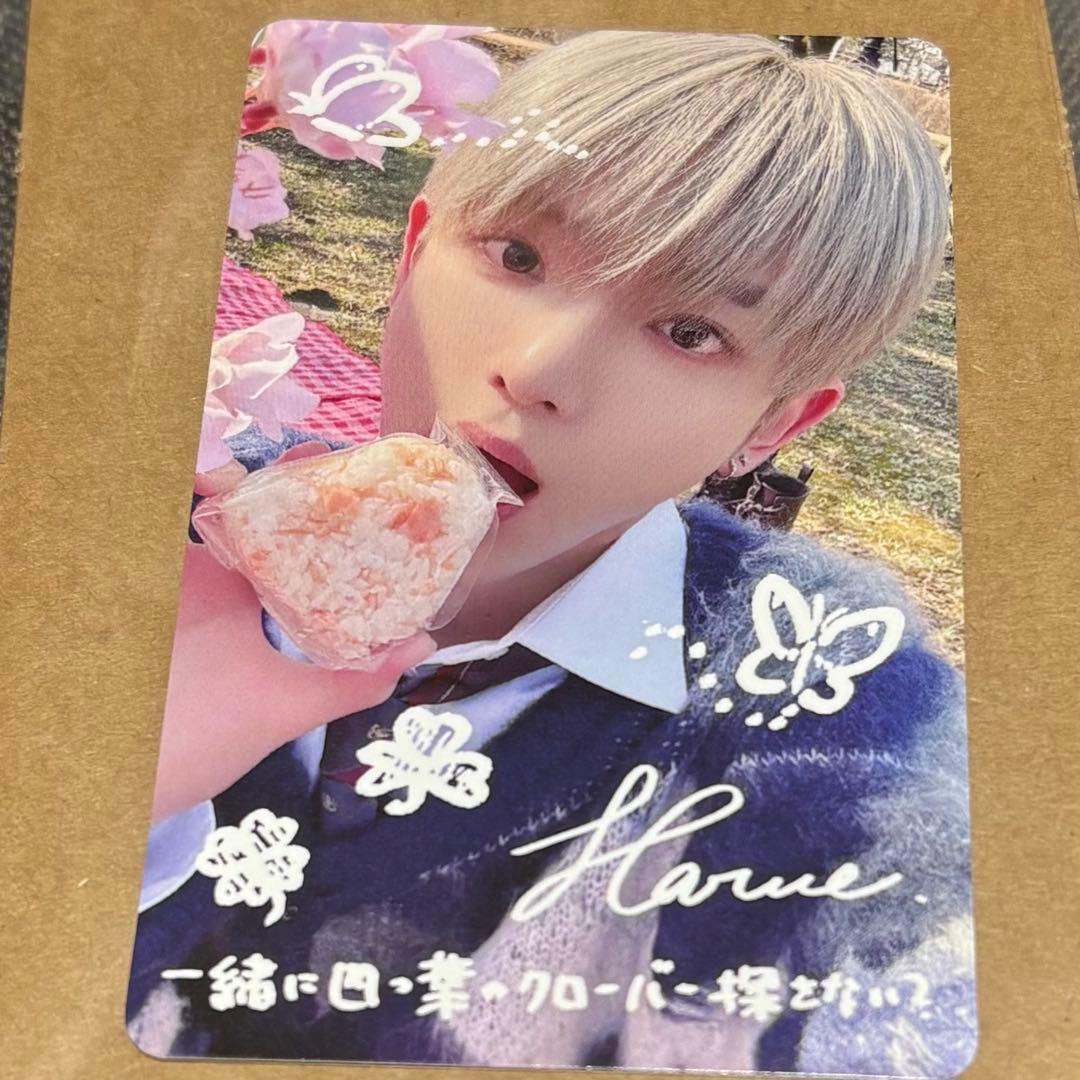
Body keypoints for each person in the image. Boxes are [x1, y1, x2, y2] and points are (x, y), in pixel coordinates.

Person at [127, 30, 975, 1077]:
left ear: (773, 427)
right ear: (412, 253)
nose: (537, 372)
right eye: (518, 257)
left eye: (691, 331)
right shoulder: (144, 516)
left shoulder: (826, 698)